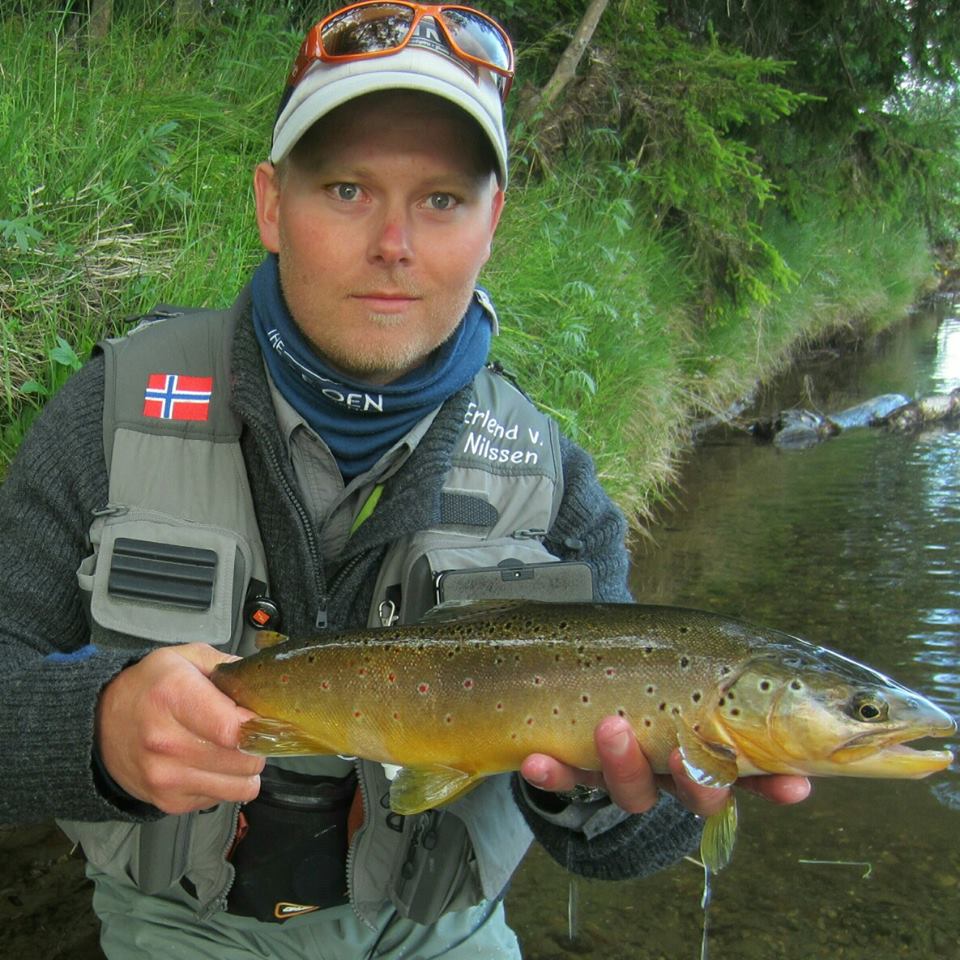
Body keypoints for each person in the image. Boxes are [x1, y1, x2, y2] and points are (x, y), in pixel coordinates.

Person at [0, 3, 810, 957]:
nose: (395, 242)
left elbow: (619, 844)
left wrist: (617, 800)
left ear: (492, 222)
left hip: (439, 929)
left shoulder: (553, 483)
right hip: (177, 922)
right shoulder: (112, 412)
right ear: (271, 203)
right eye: (348, 189)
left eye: (442, 200)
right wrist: (97, 728)